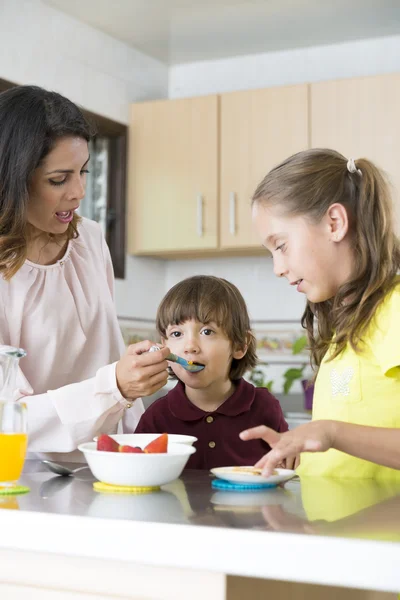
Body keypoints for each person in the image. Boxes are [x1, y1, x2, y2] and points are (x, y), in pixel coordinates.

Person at [0, 85, 170, 462]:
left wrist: (129, 382)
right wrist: (115, 387)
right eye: (59, 179)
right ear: (12, 180)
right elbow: (7, 418)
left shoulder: (90, 239)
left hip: (107, 463)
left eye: (84, 172)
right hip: (22, 476)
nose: (78, 192)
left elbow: (104, 351)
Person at [240, 148, 400, 479]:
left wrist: (329, 434)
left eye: (280, 245)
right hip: (338, 530)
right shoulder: (349, 327)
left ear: (334, 223)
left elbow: (336, 434)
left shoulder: (394, 310)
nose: (277, 268)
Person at [134, 275, 288, 469]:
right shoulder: (157, 417)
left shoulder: (264, 407)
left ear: (240, 345)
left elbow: (284, 470)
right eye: (177, 334)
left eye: (207, 331)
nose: (190, 346)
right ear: (164, 347)